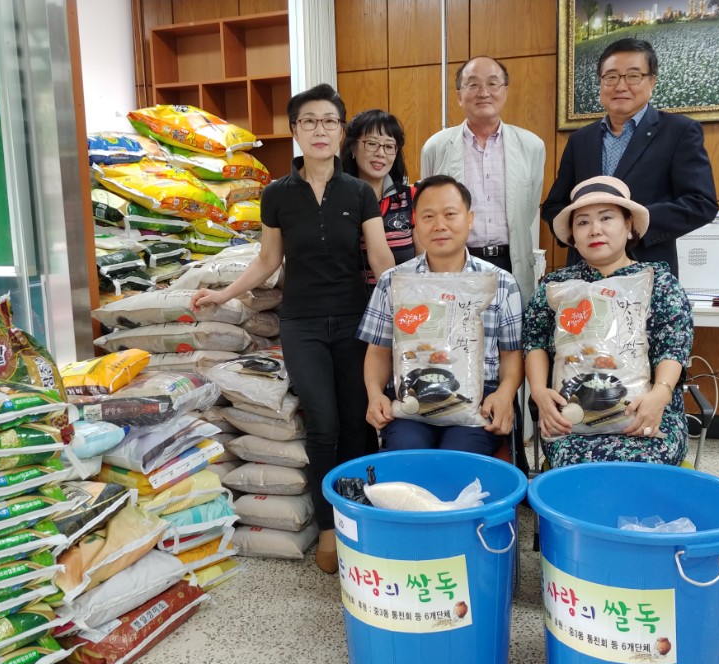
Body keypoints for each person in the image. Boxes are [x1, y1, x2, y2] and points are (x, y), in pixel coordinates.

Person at [191, 84, 395, 574]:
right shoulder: (277, 195)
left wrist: (410, 294)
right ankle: (329, 529)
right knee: (322, 424)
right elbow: (268, 260)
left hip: (354, 320)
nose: (320, 129)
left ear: (341, 131)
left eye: (329, 121)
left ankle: (360, 518)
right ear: (295, 130)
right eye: (309, 121)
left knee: (358, 424)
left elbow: (380, 255)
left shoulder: (358, 192)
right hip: (301, 323)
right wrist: (223, 295)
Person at [524, 176, 693, 468]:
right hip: (573, 415)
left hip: (648, 409)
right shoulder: (557, 285)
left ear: (629, 226)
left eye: (606, 218)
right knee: (575, 462)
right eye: (583, 222)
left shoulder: (659, 281)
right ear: (573, 235)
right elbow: (534, 341)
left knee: (642, 462)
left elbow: (673, 347)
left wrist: (658, 397)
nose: (595, 230)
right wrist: (539, 392)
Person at [358, 175, 523, 455]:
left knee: (458, 458)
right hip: (412, 397)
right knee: (407, 453)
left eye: (450, 214)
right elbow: (378, 352)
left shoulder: (501, 282)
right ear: (415, 221)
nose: (440, 226)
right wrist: (375, 396)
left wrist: (505, 394)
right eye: (428, 216)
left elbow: (512, 354)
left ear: (469, 219)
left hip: (477, 399)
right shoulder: (394, 281)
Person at [540, 38, 718, 277]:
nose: (621, 86)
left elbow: (701, 203)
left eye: (633, 76)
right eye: (611, 77)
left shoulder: (679, 131)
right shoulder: (581, 139)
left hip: (647, 270)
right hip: (584, 274)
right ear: (601, 83)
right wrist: (578, 234)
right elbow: (554, 205)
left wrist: (633, 225)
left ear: (651, 80)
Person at [420, 56, 546, 299]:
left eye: (493, 83)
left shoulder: (532, 146)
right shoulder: (435, 147)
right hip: (457, 262)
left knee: (512, 335)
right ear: (459, 95)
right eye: (473, 84)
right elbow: (429, 207)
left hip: (512, 260)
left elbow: (528, 209)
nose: (484, 92)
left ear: (505, 91)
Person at [341, 109, 418, 288]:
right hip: (348, 306)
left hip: (399, 302)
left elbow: (423, 263)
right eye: (372, 143)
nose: (381, 153)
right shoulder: (336, 198)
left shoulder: (412, 197)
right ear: (352, 147)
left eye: (389, 146)